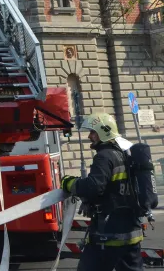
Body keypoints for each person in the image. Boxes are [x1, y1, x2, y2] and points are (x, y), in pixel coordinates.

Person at [60, 112, 143, 271]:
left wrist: (69, 183)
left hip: (109, 234)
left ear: (104, 132)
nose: (89, 136)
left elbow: (94, 187)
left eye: (93, 132)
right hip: (131, 232)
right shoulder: (124, 153)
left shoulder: (104, 156)